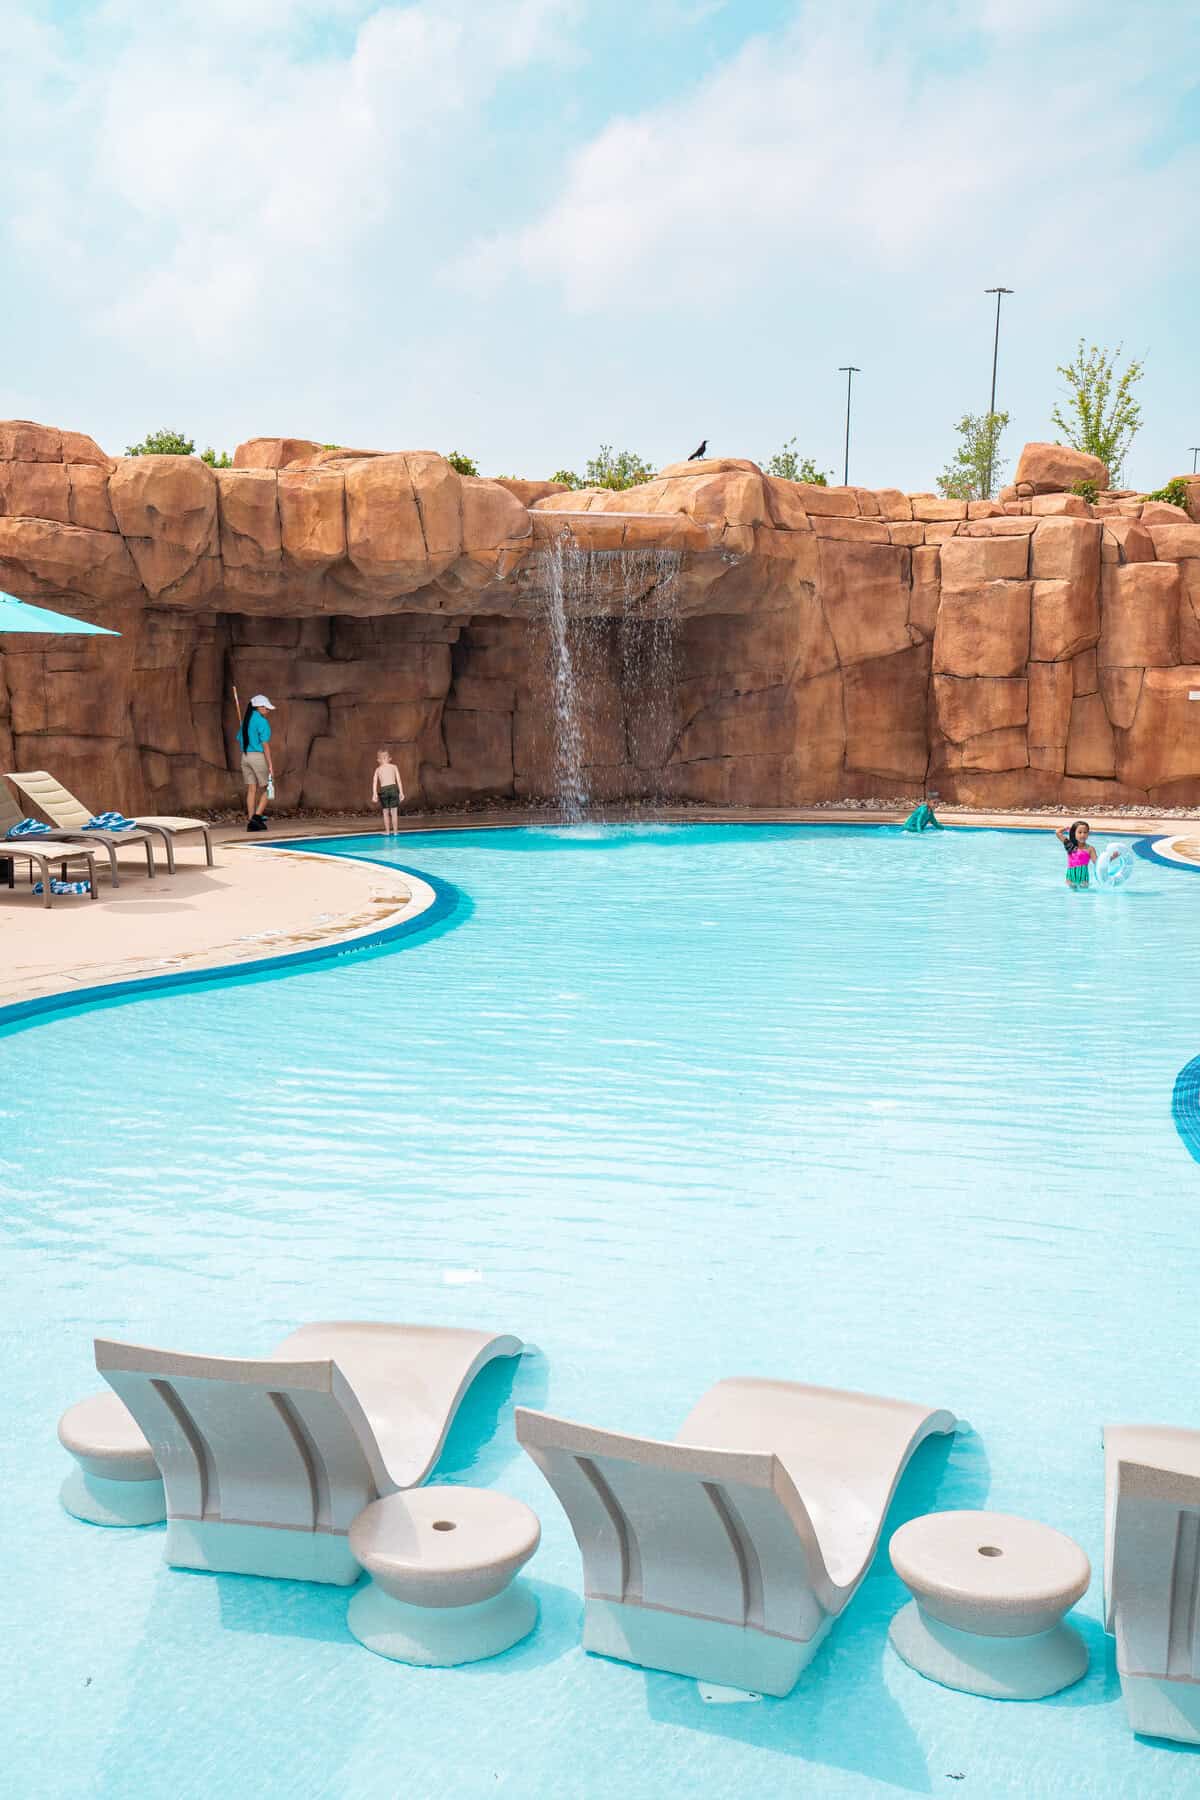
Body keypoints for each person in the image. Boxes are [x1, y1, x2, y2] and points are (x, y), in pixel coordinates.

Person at [237, 693, 276, 832]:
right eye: (266, 707)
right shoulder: (261, 721)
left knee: (252, 789)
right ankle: (257, 817)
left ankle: (251, 819)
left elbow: (240, 739)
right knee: (268, 788)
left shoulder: (245, 721)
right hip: (257, 757)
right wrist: (270, 764)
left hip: (245, 757)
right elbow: (265, 745)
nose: (268, 710)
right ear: (258, 707)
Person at [1055, 819, 1096, 889]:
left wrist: (1110, 858)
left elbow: (1097, 862)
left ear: (1088, 834)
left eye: (1085, 832)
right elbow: (1058, 832)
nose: (1082, 835)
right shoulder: (1070, 845)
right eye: (1079, 832)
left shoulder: (1090, 849)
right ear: (1074, 833)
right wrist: (1066, 828)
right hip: (1070, 878)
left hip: (1083, 879)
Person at [371, 747, 404, 834]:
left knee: (385, 812)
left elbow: (374, 782)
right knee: (394, 812)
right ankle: (396, 832)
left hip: (383, 790)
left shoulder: (378, 770)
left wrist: (374, 794)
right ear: (390, 759)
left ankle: (387, 831)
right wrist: (401, 792)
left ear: (378, 760)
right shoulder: (394, 767)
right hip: (393, 788)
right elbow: (399, 780)